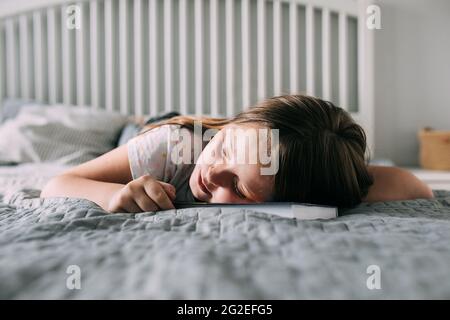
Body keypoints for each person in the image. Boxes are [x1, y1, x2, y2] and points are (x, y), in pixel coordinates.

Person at [41, 94, 433, 213]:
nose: (213, 174)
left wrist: (350, 185)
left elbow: (416, 188)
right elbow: (57, 184)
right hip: (173, 132)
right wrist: (113, 193)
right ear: (232, 126)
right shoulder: (171, 148)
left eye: (241, 189)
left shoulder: (312, 175)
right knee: (127, 133)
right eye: (226, 150)